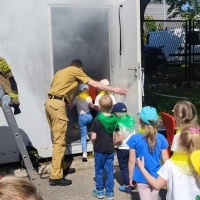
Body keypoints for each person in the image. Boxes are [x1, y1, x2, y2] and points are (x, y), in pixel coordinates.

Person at [44, 59, 127, 186]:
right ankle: (56, 176)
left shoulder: (60, 72)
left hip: (50, 104)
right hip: (57, 105)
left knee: (58, 138)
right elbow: (95, 84)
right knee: (60, 141)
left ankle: (62, 166)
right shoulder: (76, 71)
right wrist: (114, 90)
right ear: (80, 68)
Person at [137, 125, 200, 200]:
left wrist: (142, 168)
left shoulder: (170, 164)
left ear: (179, 141)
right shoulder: (197, 161)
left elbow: (157, 185)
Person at [127, 106, 169, 200]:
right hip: (157, 176)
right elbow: (166, 160)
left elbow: (131, 160)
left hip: (141, 176)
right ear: (156, 122)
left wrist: (130, 177)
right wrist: (169, 176)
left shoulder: (135, 139)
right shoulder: (162, 138)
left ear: (139, 121)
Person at [91, 95, 118, 200]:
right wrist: (113, 144)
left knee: (99, 170)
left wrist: (94, 144)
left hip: (99, 149)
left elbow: (93, 137)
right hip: (110, 148)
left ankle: (99, 191)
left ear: (100, 106)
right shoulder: (114, 119)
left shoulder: (97, 120)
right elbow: (114, 135)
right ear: (111, 106)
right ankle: (110, 192)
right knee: (110, 170)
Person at [112, 102, 136, 194]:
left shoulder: (118, 123)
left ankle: (127, 186)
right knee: (132, 166)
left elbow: (120, 139)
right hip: (132, 148)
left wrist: (112, 143)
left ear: (117, 113)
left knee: (124, 168)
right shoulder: (131, 119)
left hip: (122, 148)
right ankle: (133, 182)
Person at [70, 83, 95, 162]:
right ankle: (95, 150)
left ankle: (84, 154)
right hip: (89, 116)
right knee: (91, 133)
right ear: (87, 90)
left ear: (79, 90)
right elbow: (92, 106)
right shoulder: (88, 98)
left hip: (82, 117)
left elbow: (71, 107)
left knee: (83, 136)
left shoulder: (77, 98)